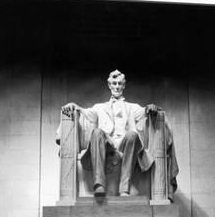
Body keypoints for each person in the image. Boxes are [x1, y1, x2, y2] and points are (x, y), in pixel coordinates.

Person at [60, 69, 178, 197]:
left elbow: (145, 111)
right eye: (114, 83)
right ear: (109, 85)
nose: (117, 86)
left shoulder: (132, 107)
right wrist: (73, 105)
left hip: (126, 144)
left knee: (133, 135)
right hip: (106, 145)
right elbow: (84, 112)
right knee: (97, 132)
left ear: (124, 85)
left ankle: (124, 188)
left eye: (119, 83)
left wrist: (150, 108)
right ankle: (99, 185)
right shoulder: (99, 107)